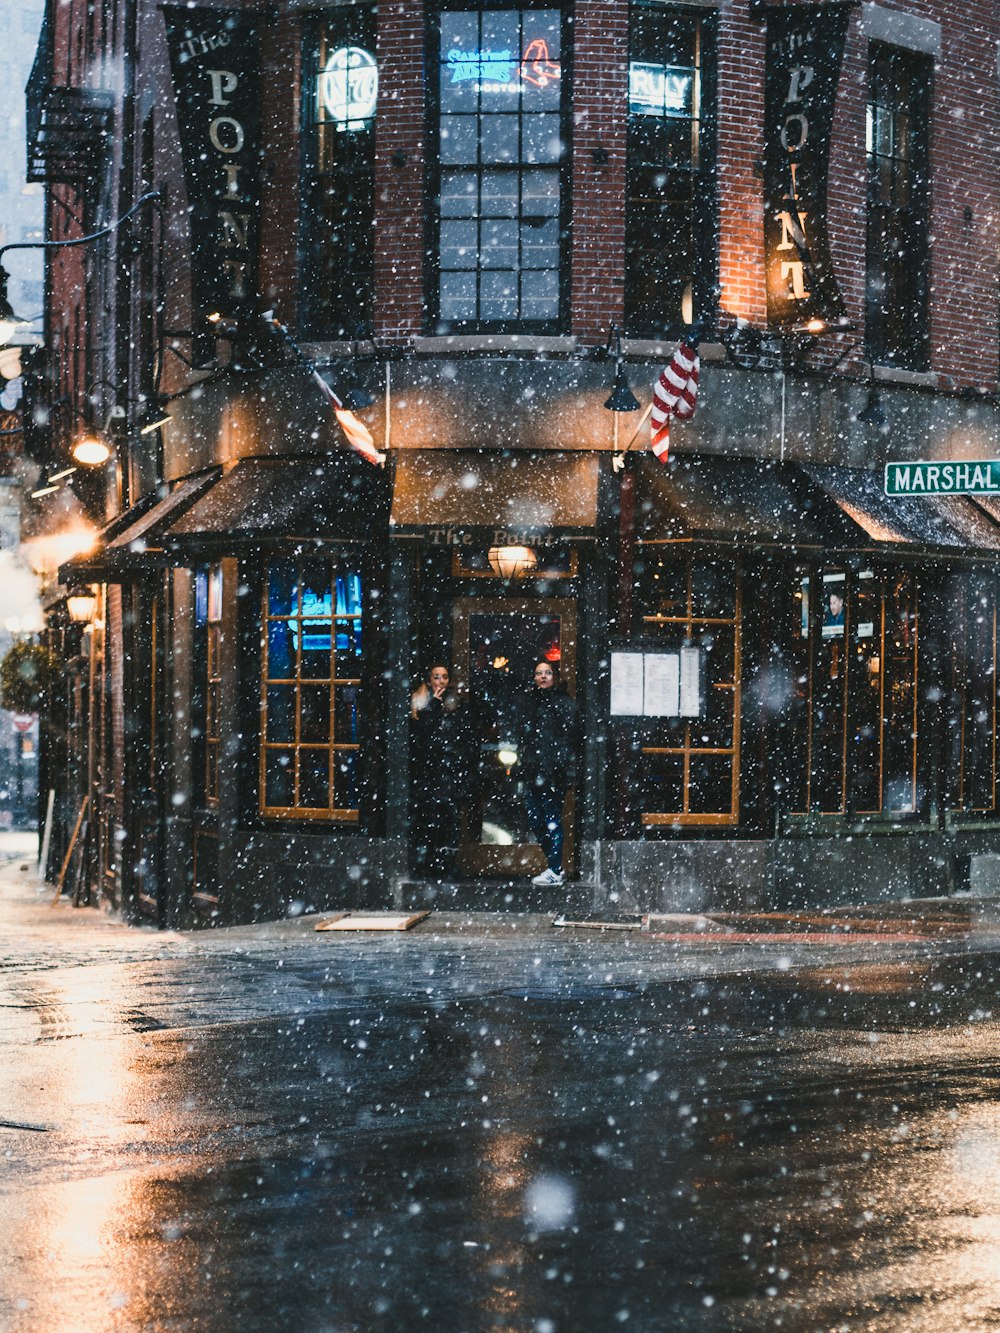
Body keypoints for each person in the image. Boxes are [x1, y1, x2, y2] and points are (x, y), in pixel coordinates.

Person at [516, 659, 580, 887]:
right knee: (536, 820)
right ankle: (556, 867)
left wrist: (561, 769)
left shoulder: (564, 704)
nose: (543, 677)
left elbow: (569, 740)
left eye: (548, 673)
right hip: (533, 771)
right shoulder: (529, 702)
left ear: (555, 677)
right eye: (539, 673)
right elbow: (524, 737)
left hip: (553, 773)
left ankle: (554, 869)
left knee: (551, 820)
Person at [410, 663, 470, 877]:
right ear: (430, 680)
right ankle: (432, 863)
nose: (441, 681)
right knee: (432, 819)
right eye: (437, 677)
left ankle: (448, 863)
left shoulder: (456, 703)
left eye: (444, 677)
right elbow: (423, 734)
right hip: (432, 772)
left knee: (450, 819)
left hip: (450, 771)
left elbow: (463, 735)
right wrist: (434, 705)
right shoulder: (423, 702)